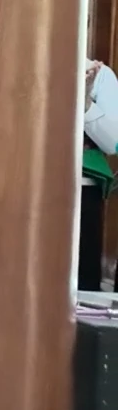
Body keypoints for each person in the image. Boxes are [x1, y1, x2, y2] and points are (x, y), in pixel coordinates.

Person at [83, 59, 118, 290]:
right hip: (15, 188)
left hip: (82, 191)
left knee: (81, 284)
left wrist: (85, 103)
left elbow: (113, 142)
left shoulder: (101, 75)